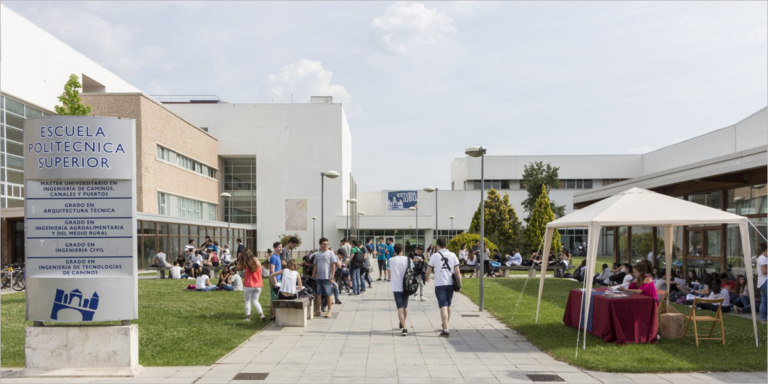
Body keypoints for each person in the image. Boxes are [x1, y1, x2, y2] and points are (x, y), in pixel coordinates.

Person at [426, 237, 461, 338]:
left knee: (443, 306)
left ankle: (445, 329)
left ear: (437, 246)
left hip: (440, 284)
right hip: (450, 284)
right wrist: (460, 284)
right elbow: (457, 271)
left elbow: (428, 270)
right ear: (446, 245)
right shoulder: (453, 255)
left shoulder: (435, 256)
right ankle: (446, 322)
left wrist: (427, 278)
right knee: (448, 305)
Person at [390, 243, 412, 336]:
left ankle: (404, 328)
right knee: (405, 307)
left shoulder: (390, 260)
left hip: (396, 287)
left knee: (400, 307)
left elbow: (388, 269)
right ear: (402, 250)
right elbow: (412, 270)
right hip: (406, 286)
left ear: (394, 251)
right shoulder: (408, 259)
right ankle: (403, 323)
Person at [313, 237, 339, 318]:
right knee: (318, 294)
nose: (326, 246)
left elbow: (333, 266)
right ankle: (318, 310)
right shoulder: (317, 254)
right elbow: (315, 266)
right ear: (320, 244)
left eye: (327, 244)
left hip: (327, 278)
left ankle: (329, 311)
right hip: (319, 278)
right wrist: (313, 275)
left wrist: (332, 277)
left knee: (328, 294)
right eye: (324, 244)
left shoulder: (331, 253)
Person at [237, 249, 265, 320]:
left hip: (248, 284)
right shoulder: (257, 261)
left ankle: (248, 318)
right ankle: (262, 315)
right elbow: (261, 272)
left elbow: (237, 268)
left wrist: (240, 259)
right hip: (258, 284)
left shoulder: (245, 263)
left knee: (247, 301)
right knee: (256, 301)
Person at [268, 242, 283, 320]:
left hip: (278, 279)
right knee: (273, 298)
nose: (280, 248)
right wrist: (274, 281)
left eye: (281, 247)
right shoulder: (273, 257)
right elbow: (272, 270)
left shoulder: (278, 256)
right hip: (274, 280)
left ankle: (274, 315)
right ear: (274, 248)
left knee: (276, 297)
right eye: (279, 247)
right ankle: (272, 316)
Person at [756, 242, 768, 323]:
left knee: (764, 300)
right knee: (764, 301)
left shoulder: (761, 257)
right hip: (765, 281)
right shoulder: (764, 258)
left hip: (761, 282)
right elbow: (764, 271)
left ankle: (763, 319)